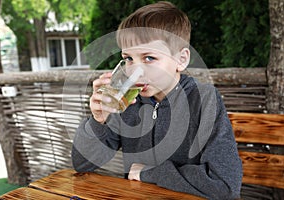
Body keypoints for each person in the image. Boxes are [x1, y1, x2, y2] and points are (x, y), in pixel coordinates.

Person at [72, 1, 242, 199]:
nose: (135, 71)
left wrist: (148, 173)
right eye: (128, 58)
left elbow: (225, 185)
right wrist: (98, 121)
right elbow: (82, 164)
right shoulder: (128, 102)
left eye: (149, 58)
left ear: (181, 60)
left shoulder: (204, 100)